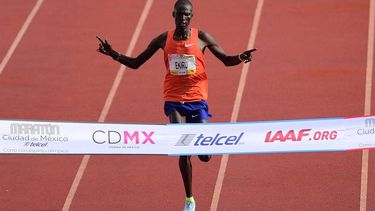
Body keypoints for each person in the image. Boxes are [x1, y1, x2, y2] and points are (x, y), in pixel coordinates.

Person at [97, 0, 256, 210]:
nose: (183, 18)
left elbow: (226, 60)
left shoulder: (202, 38)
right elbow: (136, 63)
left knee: (205, 156)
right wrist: (114, 54)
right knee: (183, 147)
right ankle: (189, 199)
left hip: (197, 98)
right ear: (173, 14)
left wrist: (241, 57)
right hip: (173, 98)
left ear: (192, 16)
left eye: (187, 15)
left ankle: (206, 143)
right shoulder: (164, 39)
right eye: (179, 14)